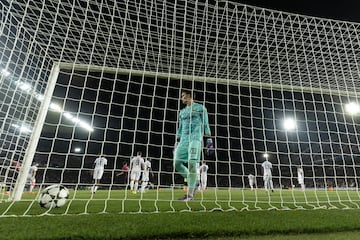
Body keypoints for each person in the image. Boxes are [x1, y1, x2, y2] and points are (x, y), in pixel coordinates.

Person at [174, 89, 211, 201]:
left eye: (183, 96)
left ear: (189, 96)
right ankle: (193, 181)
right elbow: (180, 127)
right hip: (183, 140)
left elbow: (205, 123)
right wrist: (177, 141)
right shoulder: (182, 112)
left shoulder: (200, 108)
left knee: (192, 163)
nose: (182, 98)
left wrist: (209, 139)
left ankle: (190, 195)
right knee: (176, 163)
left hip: (195, 138)